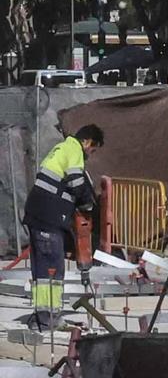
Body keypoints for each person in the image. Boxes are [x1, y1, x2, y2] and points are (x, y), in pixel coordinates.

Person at [24, 122, 103, 325]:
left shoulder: (61, 148)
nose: (90, 154)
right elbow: (76, 182)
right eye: (92, 149)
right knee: (52, 266)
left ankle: (43, 316)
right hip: (48, 216)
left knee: (42, 269)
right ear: (86, 141)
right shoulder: (74, 148)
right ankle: (49, 317)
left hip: (38, 213)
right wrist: (87, 203)